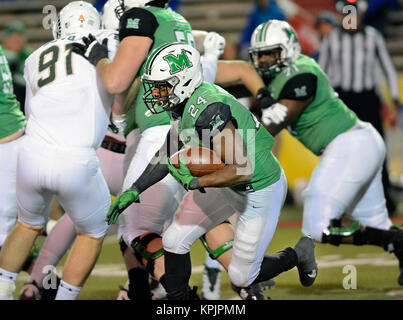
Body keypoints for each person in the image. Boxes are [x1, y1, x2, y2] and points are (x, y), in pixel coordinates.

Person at [106, 41, 318, 300]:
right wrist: (135, 189)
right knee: (173, 240)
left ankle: (298, 254)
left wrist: (194, 182)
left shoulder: (209, 108)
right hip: (224, 181)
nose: (156, 94)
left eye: (163, 87)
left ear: (183, 81)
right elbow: (166, 152)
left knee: (242, 277)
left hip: (258, 186)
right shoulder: (181, 104)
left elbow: (242, 169)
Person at [74, 0, 244, 300]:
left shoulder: (140, 19)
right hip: (191, 127)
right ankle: (252, 288)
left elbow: (115, 82)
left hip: (161, 131)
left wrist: (99, 58)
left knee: (135, 229)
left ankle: (178, 296)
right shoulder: (175, 20)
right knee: (205, 218)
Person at [216, 19, 403, 286]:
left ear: (289, 49)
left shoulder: (301, 73)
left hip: (352, 143)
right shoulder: (272, 75)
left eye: (272, 53)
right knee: (375, 223)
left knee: (318, 224)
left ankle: (388, 240)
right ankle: (395, 240)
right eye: (261, 55)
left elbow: (273, 124)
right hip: (358, 142)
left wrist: (228, 150)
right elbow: (228, 80)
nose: (266, 60)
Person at [0, 1, 121, 300]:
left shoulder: (35, 57)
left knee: (27, 225)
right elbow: (119, 88)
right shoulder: (107, 41)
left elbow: (32, 108)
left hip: (31, 153)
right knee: (93, 230)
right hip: (76, 158)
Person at [320, 0, 401, 217]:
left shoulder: (373, 37)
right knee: (341, 153)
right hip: (343, 101)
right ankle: (341, 204)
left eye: (353, 15)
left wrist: (393, 101)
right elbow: (323, 74)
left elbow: (388, 70)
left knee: (377, 150)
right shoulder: (331, 39)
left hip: (367, 99)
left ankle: (385, 200)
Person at [1, 21, 33, 113]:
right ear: (5, 40)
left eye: (19, 37)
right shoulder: (3, 54)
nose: (16, 41)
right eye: (12, 38)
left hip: (23, 102)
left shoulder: (30, 56)